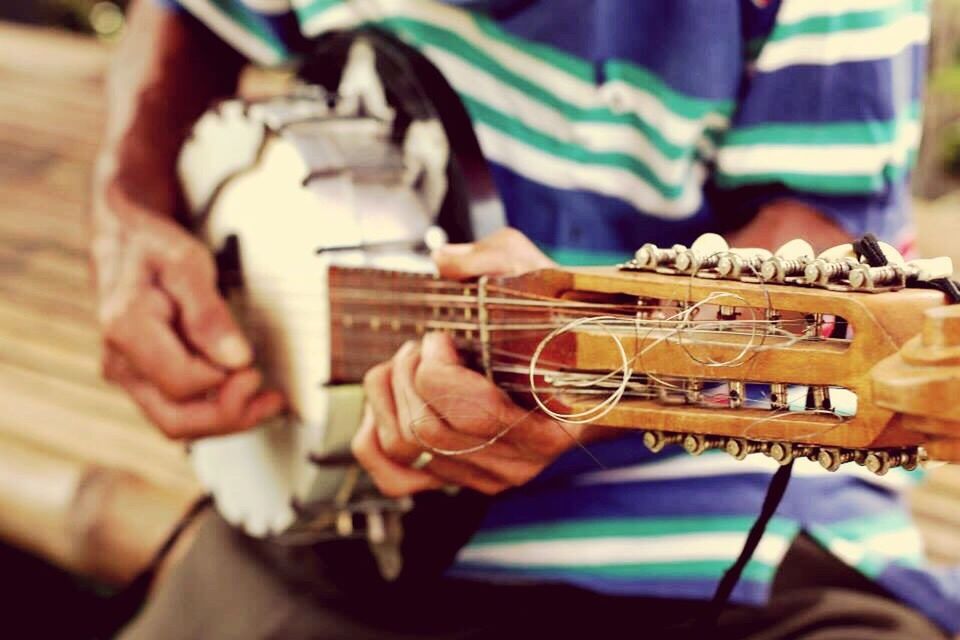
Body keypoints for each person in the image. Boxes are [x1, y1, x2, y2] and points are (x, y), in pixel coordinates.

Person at [92, 0, 960, 638]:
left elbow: (822, 238)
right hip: (336, 509)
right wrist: (129, 213)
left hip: (711, 538)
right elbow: (193, 19)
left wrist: (575, 368)